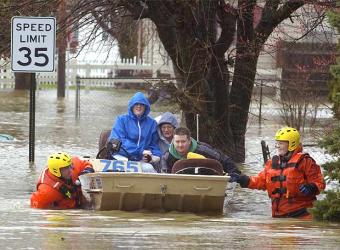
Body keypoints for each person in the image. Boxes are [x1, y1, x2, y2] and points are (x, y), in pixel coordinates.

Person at [229, 127, 326, 219]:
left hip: (302, 215)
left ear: (291, 144)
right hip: (278, 216)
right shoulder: (272, 163)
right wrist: (243, 179)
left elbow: (320, 183)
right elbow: (261, 181)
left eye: (281, 143)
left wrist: (312, 187)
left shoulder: (305, 161)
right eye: (277, 143)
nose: (278, 146)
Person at [108, 92, 161, 166]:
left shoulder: (152, 123)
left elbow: (153, 144)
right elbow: (118, 141)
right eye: (136, 104)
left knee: (149, 169)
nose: (139, 106)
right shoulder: (121, 120)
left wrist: (155, 156)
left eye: (142, 104)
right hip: (121, 157)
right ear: (131, 106)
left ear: (146, 107)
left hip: (142, 159)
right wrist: (140, 151)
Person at [161, 127, 241, 175]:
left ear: (189, 141)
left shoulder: (203, 150)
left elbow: (224, 159)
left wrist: (234, 173)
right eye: (177, 142)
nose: (180, 145)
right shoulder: (167, 156)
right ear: (173, 142)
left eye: (183, 141)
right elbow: (165, 176)